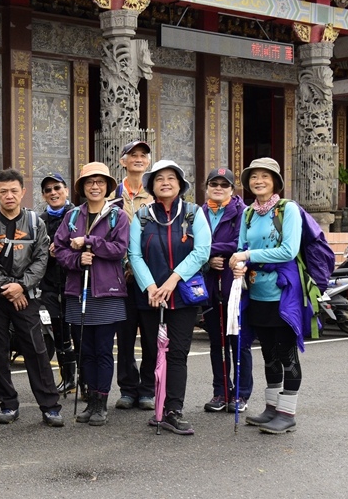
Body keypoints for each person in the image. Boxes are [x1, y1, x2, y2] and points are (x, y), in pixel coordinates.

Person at [0, 169, 65, 426]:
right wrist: (9, 288)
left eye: (14, 191)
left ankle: (50, 406)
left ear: (23, 192)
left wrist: (22, 287)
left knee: (36, 349)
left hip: (27, 295)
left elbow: (41, 259)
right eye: (3, 191)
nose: (9, 196)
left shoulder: (36, 223)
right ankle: (8, 404)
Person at [128, 160, 212, 435]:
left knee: (177, 354)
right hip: (151, 297)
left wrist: (173, 279)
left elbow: (202, 252)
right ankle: (158, 409)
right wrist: (151, 286)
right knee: (153, 352)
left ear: (180, 184)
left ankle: (173, 411)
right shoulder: (142, 216)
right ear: (151, 185)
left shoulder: (193, 213)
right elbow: (134, 255)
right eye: (159, 178)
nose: (165, 182)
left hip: (183, 297)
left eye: (171, 178)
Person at [230, 158, 305, 434]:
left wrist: (248, 256)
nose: (258, 181)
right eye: (253, 177)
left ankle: (288, 414)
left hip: (283, 293)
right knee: (269, 353)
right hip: (257, 293)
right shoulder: (248, 214)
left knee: (287, 354)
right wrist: (237, 264)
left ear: (275, 182)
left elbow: (289, 250)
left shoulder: (289, 210)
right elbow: (240, 247)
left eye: (264, 176)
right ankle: (272, 408)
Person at [54, 163, 129, 426]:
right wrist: (77, 260)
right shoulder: (72, 216)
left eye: (100, 182)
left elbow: (119, 249)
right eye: (89, 182)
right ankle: (90, 402)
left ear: (108, 186)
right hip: (79, 291)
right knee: (84, 350)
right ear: (82, 187)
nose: (94, 186)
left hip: (108, 293)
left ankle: (101, 403)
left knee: (103, 350)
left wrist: (89, 242)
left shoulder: (117, 216)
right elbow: (59, 250)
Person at [199, 167, 254, 413]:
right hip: (210, 285)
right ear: (207, 187)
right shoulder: (199, 213)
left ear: (232, 189)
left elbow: (240, 244)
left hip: (235, 286)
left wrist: (209, 248)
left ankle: (241, 394)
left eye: (224, 184)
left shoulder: (243, 213)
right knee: (216, 343)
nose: (218, 188)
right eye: (214, 184)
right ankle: (220, 392)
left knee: (238, 342)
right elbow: (190, 242)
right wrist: (207, 260)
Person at [110, 140, 156, 410]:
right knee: (125, 337)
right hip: (119, 278)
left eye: (143, 156)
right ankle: (127, 388)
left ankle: (147, 389)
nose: (138, 159)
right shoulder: (112, 195)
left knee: (150, 336)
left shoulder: (155, 195)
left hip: (149, 278)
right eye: (133, 155)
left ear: (148, 162)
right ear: (123, 161)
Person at [37, 172, 78, 395]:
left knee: (79, 334)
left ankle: (87, 382)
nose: (53, 193)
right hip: (50, 285)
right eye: (48, 190)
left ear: (66, 190)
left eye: (57, 188)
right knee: (59, 332)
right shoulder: (40, 220)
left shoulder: (77, 215)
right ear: (43, 195)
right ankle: (68, 379)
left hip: (75, 282)